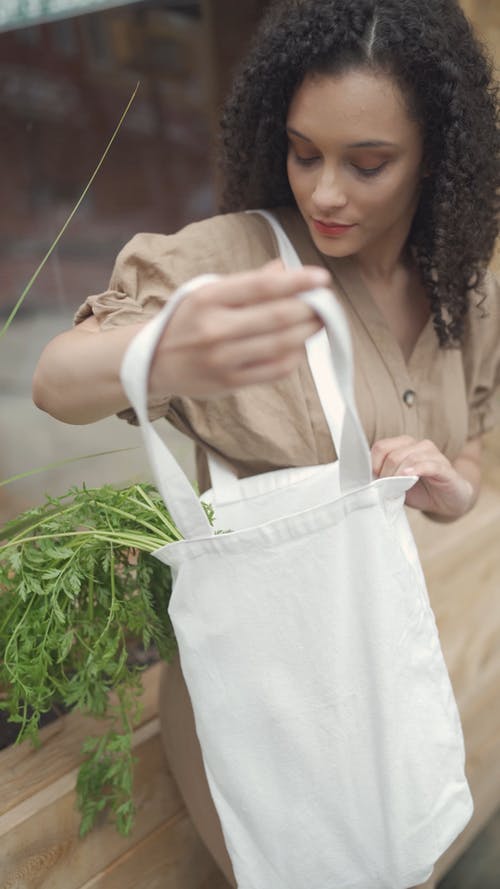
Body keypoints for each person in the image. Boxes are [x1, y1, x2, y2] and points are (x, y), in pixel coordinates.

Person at [33, 0, 499, 886]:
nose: (325, 191)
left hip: (383, 666)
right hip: (258, 697)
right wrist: (160, 351)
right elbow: (57, 380)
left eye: (368, 164)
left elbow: (468, 450)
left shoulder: (464, 297)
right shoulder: (239, 261)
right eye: (303, 151)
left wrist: (454, 488)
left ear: (433, 153)